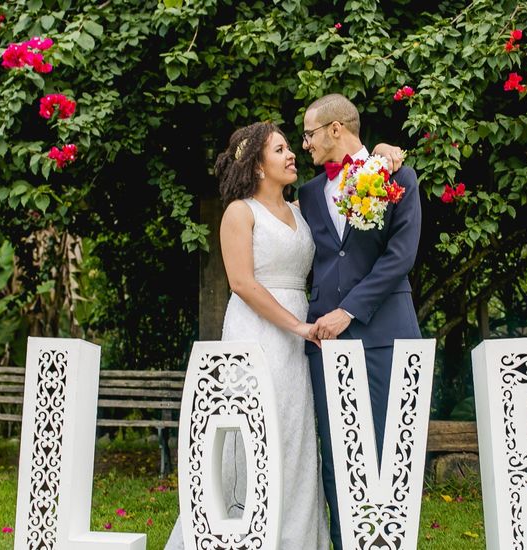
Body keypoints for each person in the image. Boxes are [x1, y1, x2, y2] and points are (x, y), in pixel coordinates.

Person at [163, 121, 328, 548]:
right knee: (251, 438)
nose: (292, 154)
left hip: (299, 334)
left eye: (290, 147)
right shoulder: (240, 212)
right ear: (257, 165)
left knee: (294, 435)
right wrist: (297, 326)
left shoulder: (300, 210)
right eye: (280, 149)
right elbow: (242, 282)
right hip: (256, 334)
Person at [298, 93, 423, 550]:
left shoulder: (398, 175)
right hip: (324, 340)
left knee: (390, 449)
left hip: (385, 332)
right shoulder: (309, 193)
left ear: (335, 129)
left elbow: (400, 257)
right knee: (337, 450)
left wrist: (348, 310)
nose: (305, 144)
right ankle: (343, 542)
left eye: (309, 133)